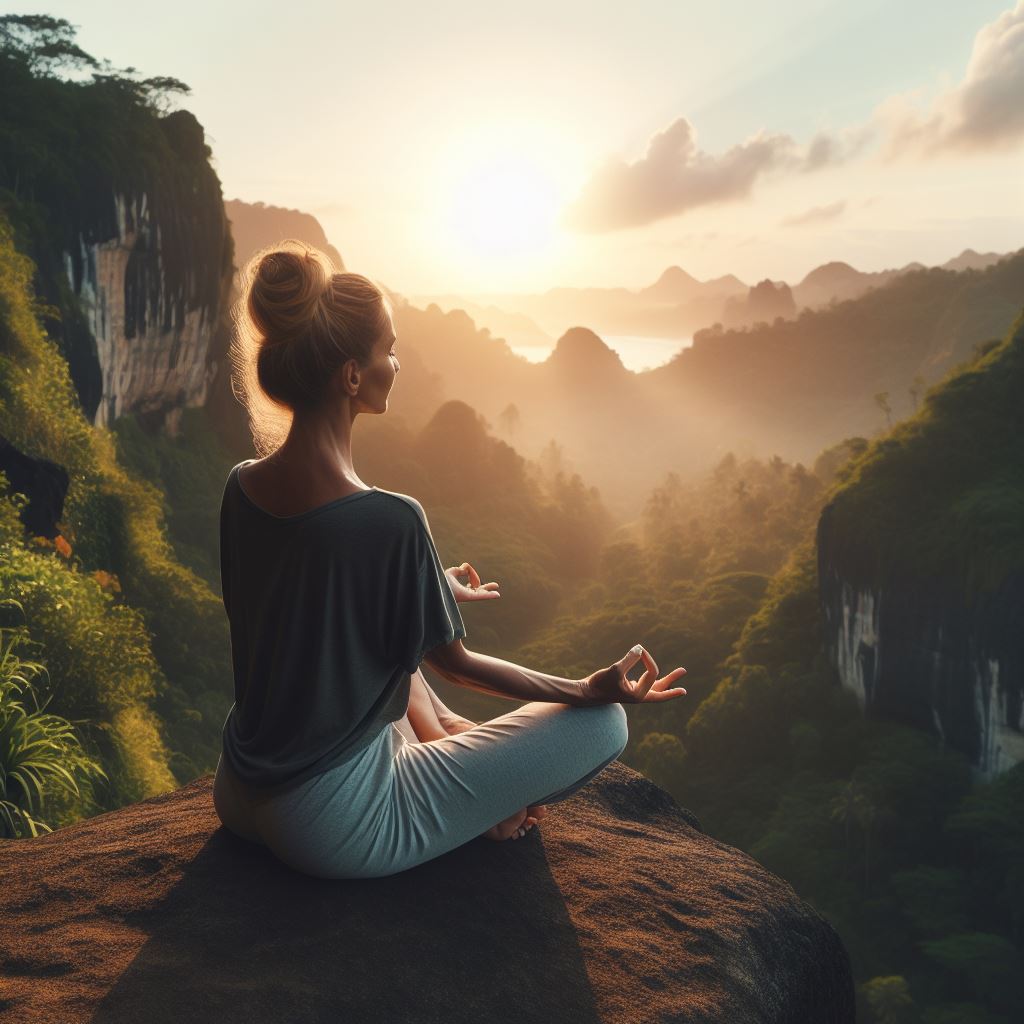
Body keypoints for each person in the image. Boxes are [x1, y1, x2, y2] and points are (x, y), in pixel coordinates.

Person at [212, 240, 688, 879]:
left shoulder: (241, 486)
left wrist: (424, 586)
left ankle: (451, 754)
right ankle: (475, 797)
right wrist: (584, 689)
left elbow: (290, 597)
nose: (398, 364)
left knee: (396, 660)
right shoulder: (391, 518)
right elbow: (455, 664)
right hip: (335, 825)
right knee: (604, 728)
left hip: (240, 791)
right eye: (389, 349)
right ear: (352, 375)